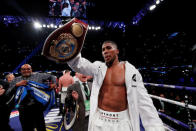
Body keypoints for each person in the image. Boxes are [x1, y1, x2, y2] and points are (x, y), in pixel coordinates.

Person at [67, 40, 165, 131]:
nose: (105, 51)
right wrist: (70, 46)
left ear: (117, 51)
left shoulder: (131, 71)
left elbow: (144, 102)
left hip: (121, 123)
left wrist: (156, 128)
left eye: (108, 48)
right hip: (100, 121)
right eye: (103, 49)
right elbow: (79, 64)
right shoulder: (98, 68)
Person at [8, 64, 56, 131]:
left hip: (37, 107)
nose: (26, 71)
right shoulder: (16, 80)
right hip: (23, 108)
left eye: (28, 69)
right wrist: (16, 85)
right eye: (24, 69)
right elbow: (8, 92)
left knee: (40, 127)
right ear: (20, 71)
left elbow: (52, 76)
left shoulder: (39, 76)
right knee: (26, 128)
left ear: (31, 69)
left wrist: (54, 83)